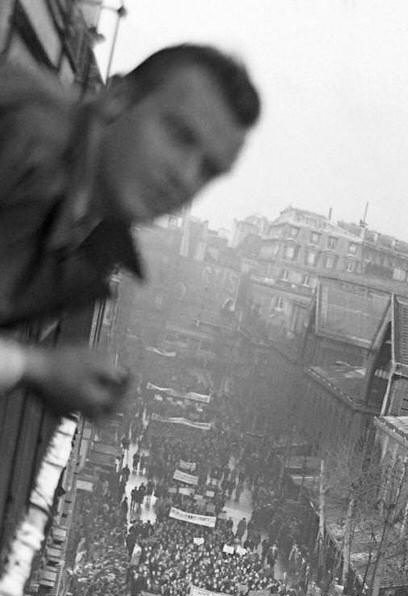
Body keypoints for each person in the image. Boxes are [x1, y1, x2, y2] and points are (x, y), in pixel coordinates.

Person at [0, 47, 261, 417]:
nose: (185, 177)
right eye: (180, 135)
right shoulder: (23, 136)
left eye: (208, 170)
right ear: (117, 99)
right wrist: (34, 368)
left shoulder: (86, 225)